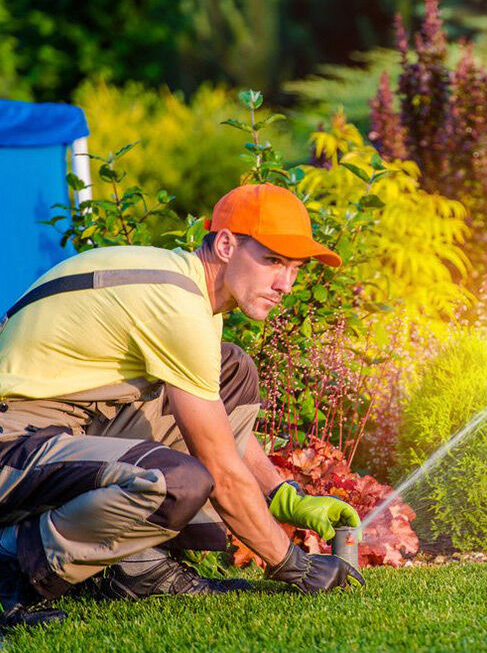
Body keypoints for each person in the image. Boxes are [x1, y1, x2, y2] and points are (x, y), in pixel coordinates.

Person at [0, 183, 364, 631]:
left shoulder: (189, 291)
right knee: (177, 483)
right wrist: (292, 564)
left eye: (294, 268)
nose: (285, 283)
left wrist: (281, 494)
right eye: (272, 261)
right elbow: (220, 469)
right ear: (227, 244)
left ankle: (139, 568)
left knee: (232, 369)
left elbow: (217, 426)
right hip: (14, 444)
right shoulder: (176, 305)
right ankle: (13, 562)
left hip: (61, 427)